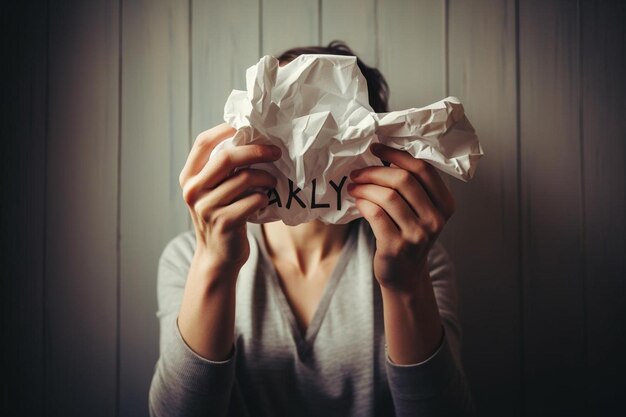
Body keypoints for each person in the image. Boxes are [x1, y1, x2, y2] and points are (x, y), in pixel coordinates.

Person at [149, 41, 475, 417]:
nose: (305, 150)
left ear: (376, 145)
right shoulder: (187, 258)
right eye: (285, 121)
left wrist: (406, 283)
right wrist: (213, 264)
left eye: (330, 126)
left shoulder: (419, 257)